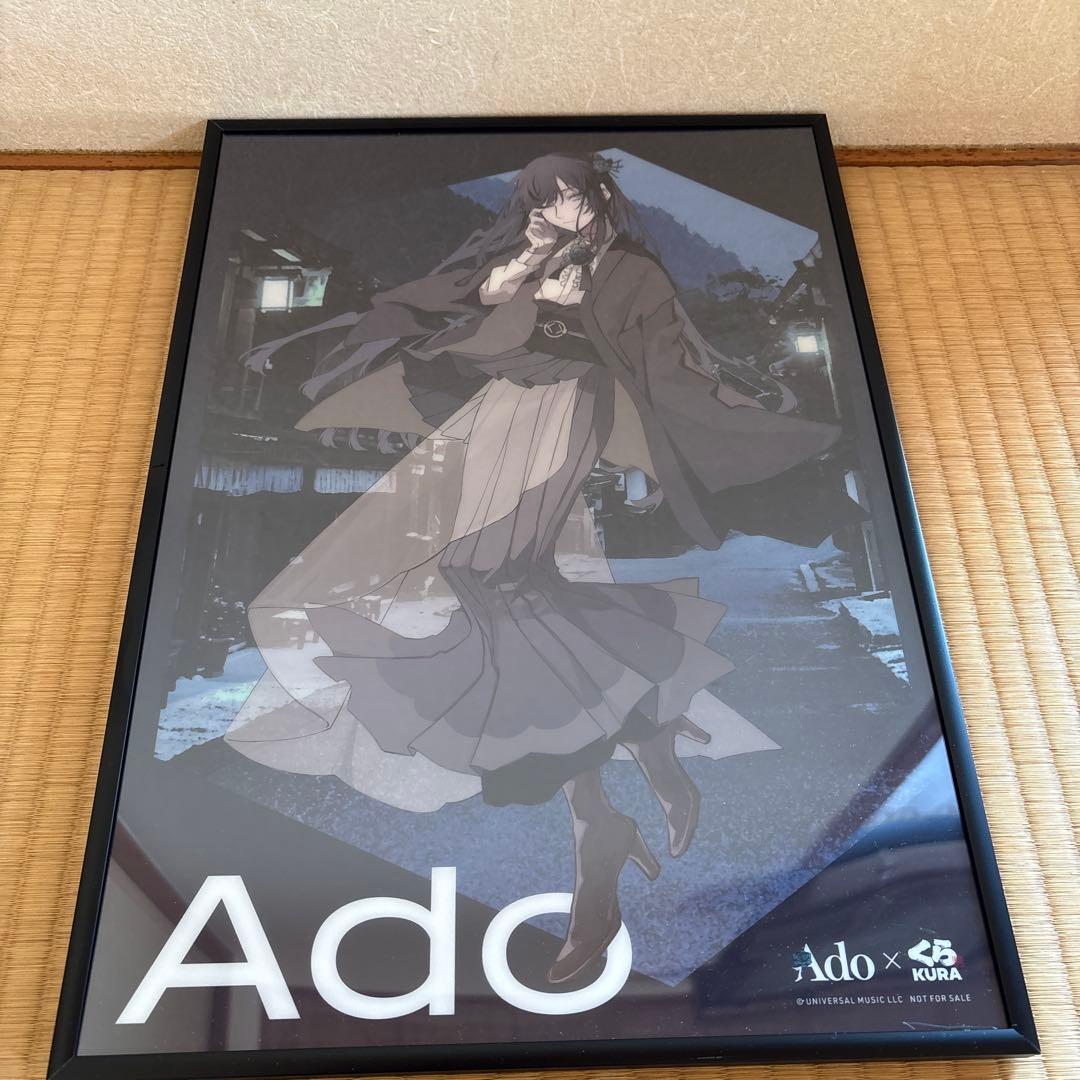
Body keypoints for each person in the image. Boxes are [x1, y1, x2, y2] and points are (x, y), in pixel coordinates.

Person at [224, 152, 845, 983]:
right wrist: (519, 266)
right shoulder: (518, 253)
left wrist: (721, 417)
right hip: (499, 412)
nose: (560, 207)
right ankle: (613, 791)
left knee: (493, 571)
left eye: (572, 193)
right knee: (501, 586)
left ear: (601, 194)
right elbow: (452, 315)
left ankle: (616, 793)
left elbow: (668, 365)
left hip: (568, 409)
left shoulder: (629, 269)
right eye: (544, 197)